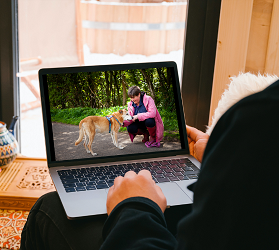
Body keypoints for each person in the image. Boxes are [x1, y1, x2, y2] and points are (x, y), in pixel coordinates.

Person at [21, 79, 279, 250]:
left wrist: (134, 207)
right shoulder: (263, 117)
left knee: (47, 208)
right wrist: (215, 157)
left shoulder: (260, 114)